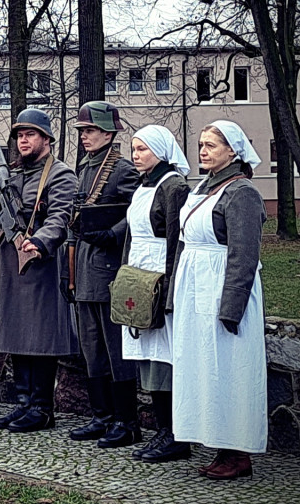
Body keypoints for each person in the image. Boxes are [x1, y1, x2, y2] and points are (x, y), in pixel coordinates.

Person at [171, 120, 267, 480]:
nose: (203, 150)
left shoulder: (242, 192)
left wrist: (231, 308)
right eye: (201, 144)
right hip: (197, 287)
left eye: (212, 145)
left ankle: (237, 453)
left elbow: (244, 255)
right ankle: (218, 444)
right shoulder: (202, 188)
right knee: (205, 369)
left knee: (231, 370)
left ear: (233, 151)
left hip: (223, 288)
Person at [0, 108, 78, 433]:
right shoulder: (15, 175)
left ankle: (42, 407)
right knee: (15, 333)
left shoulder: (60, 174)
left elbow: (60, 218)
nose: (23, 141)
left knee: (38, 337)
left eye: (30, 135)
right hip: (10, 265)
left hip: (38, 266)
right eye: (20, 136)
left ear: (46, 139)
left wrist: (40, 241)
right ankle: (23, 402)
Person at [67, 101, 143, 448]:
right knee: (92, 349)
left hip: (109, 269)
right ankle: (101, 416)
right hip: (83, 268)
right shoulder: (85, 169)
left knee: (115, 349)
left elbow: (137, 212)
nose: (85, 137)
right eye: (82, 131)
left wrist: (112, 234)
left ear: (109, 133)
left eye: (91, 130)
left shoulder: (122, 170)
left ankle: (126, 421)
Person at [122, 125, 192, 463]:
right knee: (149, 357)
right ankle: (163, 431)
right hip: (139, 276)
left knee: (165, 359)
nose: (136, 156)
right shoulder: (142, 186)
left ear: (161, 151)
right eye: (134, 150)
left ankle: (176, 435)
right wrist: (125, 281)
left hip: (160, 279)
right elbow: (131, 238)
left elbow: (177, 241)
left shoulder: (174, 187)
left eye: (143, 150)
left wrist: (169, 292)